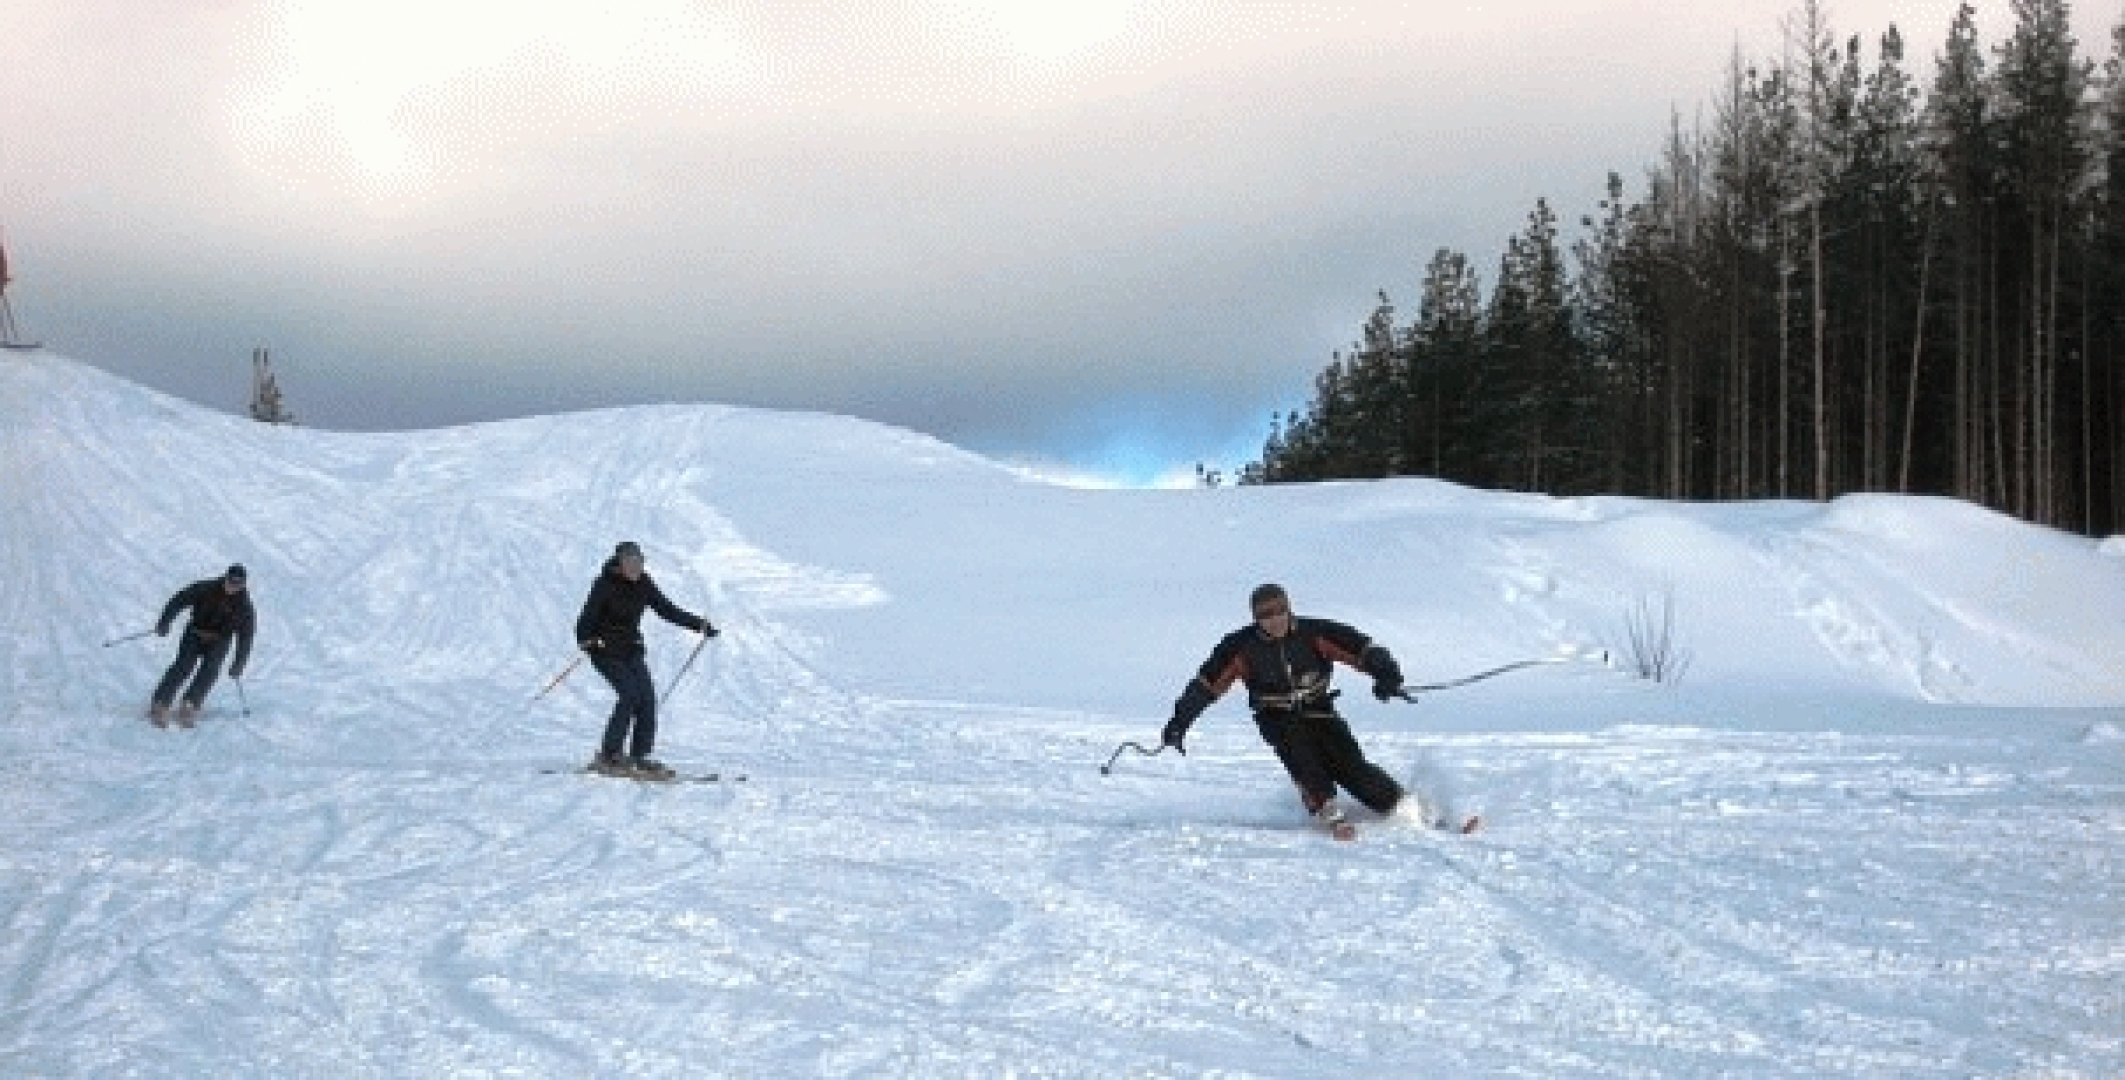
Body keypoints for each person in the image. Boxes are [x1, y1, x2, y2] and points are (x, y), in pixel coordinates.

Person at [1162, 583, 1408, 837]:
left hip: (1317, 708)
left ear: (1289, 610)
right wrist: (1179, 723)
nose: (1274, 621)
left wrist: (1387, 676)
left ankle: (1400, 804)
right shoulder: (1239, 646)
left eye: (1279, 612)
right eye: (1265, 616)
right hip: (1275, 714)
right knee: (1300, 753)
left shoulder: (1316, 633)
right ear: (1256, 619)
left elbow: (1363, 649)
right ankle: (1326, 806)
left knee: (1349, 763)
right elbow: (1206, 686)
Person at [575, 541, 716, 779]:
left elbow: (666, 610)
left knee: (647, 700)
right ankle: (609, 755)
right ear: (619, 564)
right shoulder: (604, 584)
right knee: (629, 695)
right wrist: (586, 640)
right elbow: (585, 619)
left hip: (630, 649)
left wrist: (698, 624)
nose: (636, 567)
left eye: (639, 562)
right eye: (630, 562)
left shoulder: (644, 583)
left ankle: (639, 756)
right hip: (604, 650)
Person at [149, 564, 256, 728]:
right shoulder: (206, 588)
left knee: (210, 671)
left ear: (243, 585)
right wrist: (165, 621)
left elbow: (246, 638)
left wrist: (238, 664)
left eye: (237, 584)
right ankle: (160, 703)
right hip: (195, 633)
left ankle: (190, 704)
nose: (232, 586)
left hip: (220, 640)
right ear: (225, 577)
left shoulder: (245, 608)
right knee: (184, 665)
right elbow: (179, 600)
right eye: (230, 581)